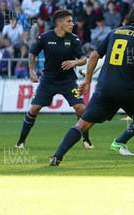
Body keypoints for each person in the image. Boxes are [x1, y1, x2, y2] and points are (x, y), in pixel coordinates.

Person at [49, 5, 134, 166]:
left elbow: (93, 55)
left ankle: (57, 156)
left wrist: (87, 79)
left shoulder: (114, 32)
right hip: (128, 87)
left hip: (104, 87)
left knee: (83, 124)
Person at [15, 10, 90, 149]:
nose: (72, 24)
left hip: (68, 81)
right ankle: (21, 141)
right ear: (59, 23)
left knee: (81, 109)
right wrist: (31, 70)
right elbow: (32, 54)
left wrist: (74, 63)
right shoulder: (44, 37)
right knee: (34, 109)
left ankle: (86, 140)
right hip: (48, 81)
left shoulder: (74, 39)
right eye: (69, 21)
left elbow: (84, 59)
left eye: (72, 21)